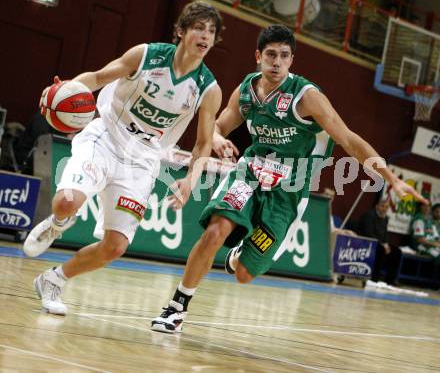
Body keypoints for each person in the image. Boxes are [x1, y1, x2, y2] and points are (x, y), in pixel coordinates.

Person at [151, 24, 427, 334]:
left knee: (243, 274)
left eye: (284, 56)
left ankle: (241, 254)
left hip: (289, 191)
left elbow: (350, 140)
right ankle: (177, 307)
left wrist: (391, 179)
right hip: (250, 172)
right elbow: (217, 126)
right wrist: (215, 139)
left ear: (292, 60)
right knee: (216, 229)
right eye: (270, 54)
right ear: (258, 56)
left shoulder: (307, 97)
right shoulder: (246, 91)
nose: (277, 62)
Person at [23, 1, 223, 315]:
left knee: (115, 246)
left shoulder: (208, 89)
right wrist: (66, 89)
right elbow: (100, 77)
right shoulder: (146, 55)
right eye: (199, 27)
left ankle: (54, 279)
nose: (205, 35)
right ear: (182, 31)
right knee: (66, 202)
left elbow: (203, 143)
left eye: (211, 31)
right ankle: (57, 224)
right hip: (106, 137)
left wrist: (191, 179)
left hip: (142, 161)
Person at [357, 198, 401, 285]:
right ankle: (374, 278)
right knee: (380, 249)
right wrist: (382, 244)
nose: (384, 209)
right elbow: (368, 233)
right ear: (377, 206)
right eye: (382, 206)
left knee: (396, 251)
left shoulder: (385, 218)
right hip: (366, 242)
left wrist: (387, 244)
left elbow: (385, 233)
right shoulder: (369, 216)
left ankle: (391, 280)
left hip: (380, 243)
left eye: (386, 207)